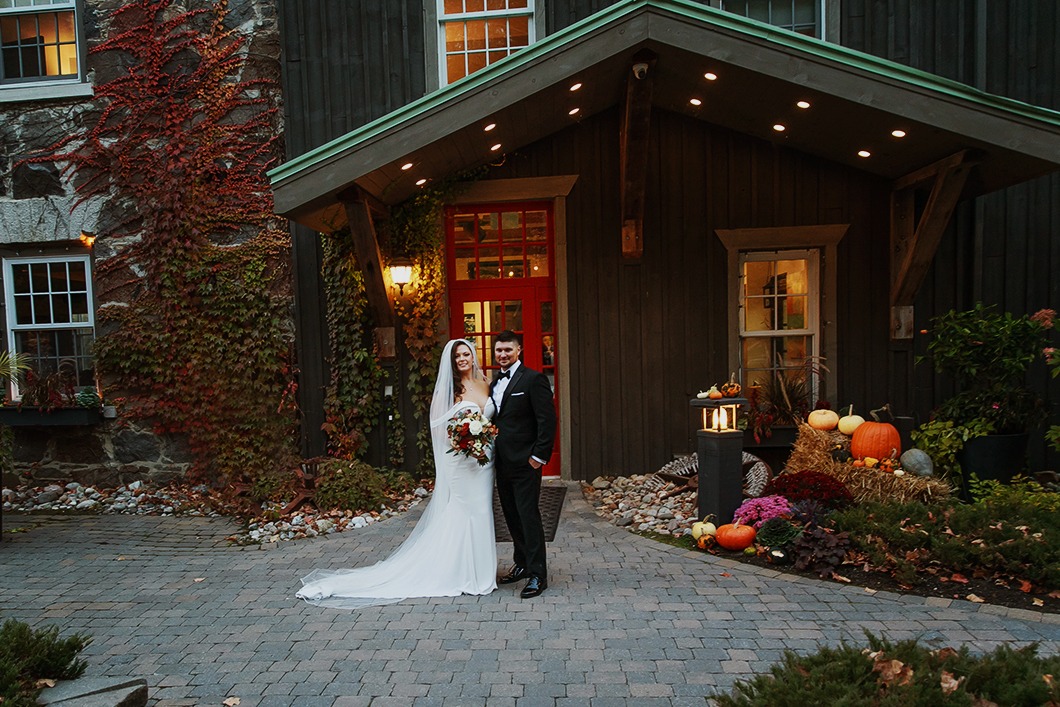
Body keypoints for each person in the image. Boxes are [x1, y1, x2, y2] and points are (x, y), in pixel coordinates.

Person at [296, 339, 497, 609]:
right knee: (463, 511)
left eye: (466, 354)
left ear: (473, 356)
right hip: (461, 462)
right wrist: (462, 442)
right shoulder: (450, 390)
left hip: (484, 462)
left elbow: (490, 420)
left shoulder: (485, 383)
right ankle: (459, 572)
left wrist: (482, 441)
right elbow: (438, 427)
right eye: (458, 356)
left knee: (483, 512)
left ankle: (482, 571)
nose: (463, 359)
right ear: (452, 362)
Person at [490, 330, 557, 599]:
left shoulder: (533, 379)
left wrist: (538, 457)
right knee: (511, 516)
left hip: (526, 463)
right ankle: (522, 564)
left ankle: (538, 574)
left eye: (508, 350)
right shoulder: (495, 382)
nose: (503, 354)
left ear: (518, 351)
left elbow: (547, 420)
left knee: (529, 516)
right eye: (498, 350)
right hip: (501, 463)